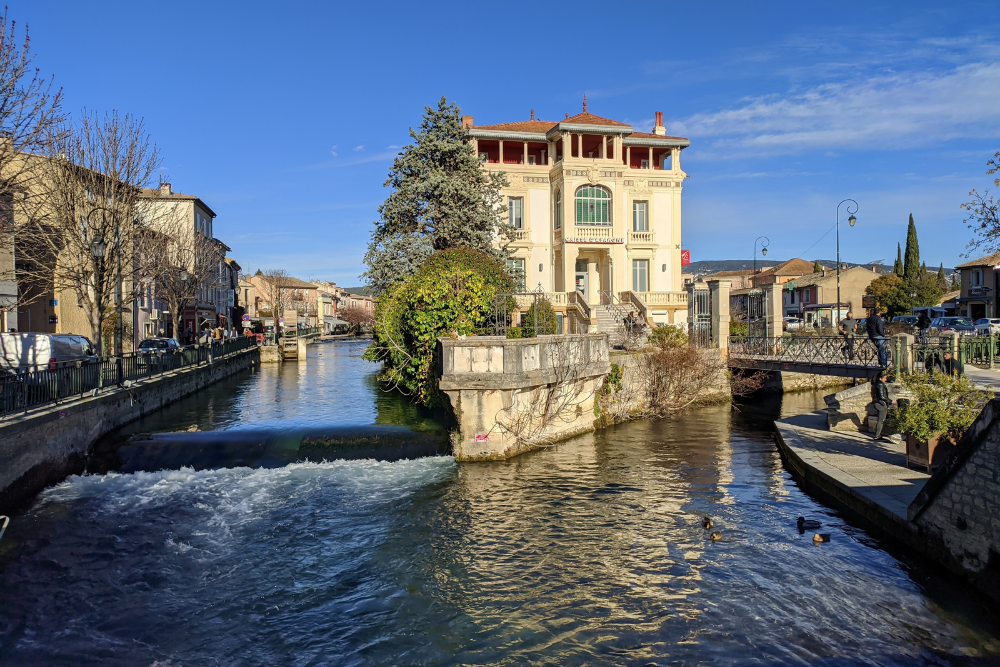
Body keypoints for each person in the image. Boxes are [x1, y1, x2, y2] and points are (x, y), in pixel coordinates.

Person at [870, 369, 891, 440]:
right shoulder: (880, 384)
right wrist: (890, 401)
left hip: (876, 403)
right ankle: (877, 435)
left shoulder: (875, 383)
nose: (886, 379)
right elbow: (882, 397)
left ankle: (878, 434)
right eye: (885, 378)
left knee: (880, 419)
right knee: (881, 420)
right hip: (880, 403)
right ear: (880, 378)